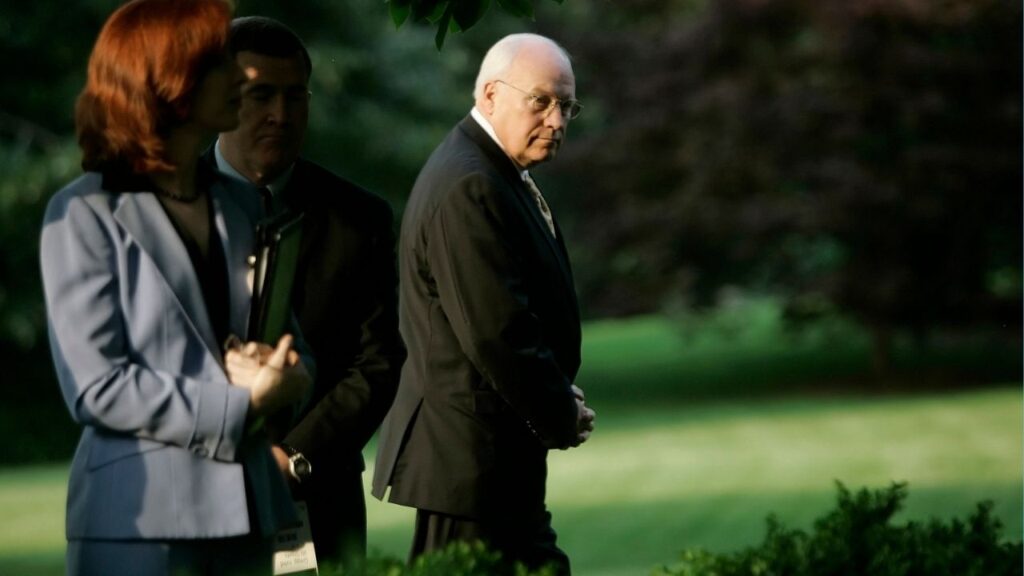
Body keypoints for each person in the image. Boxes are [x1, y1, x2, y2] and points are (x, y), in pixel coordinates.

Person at [39, 1, 313, 574]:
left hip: (250, 513)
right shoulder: (83, 212)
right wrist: (242, 405)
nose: (242, 78)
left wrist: (287, 371)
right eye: (222, 64)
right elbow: (96, 386)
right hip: (138, 523)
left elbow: (290, 343)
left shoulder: (242, 207)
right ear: (168, 79)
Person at [372, 33, 596, 575]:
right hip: (468, 464)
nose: (558, 120)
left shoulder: (493, 173)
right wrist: (559, 412)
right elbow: (497, 330)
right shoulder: (470, 183)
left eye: (566, 105)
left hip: (489, 460)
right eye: (540, 101)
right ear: (491, 95)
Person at [211, 16, 405, 567]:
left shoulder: (358, 218)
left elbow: (380, 360)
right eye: (261, 95)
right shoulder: (163, 212)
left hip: (319, 496)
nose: (281, 114)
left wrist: (293, 457)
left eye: (295, 96)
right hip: (193, 501)